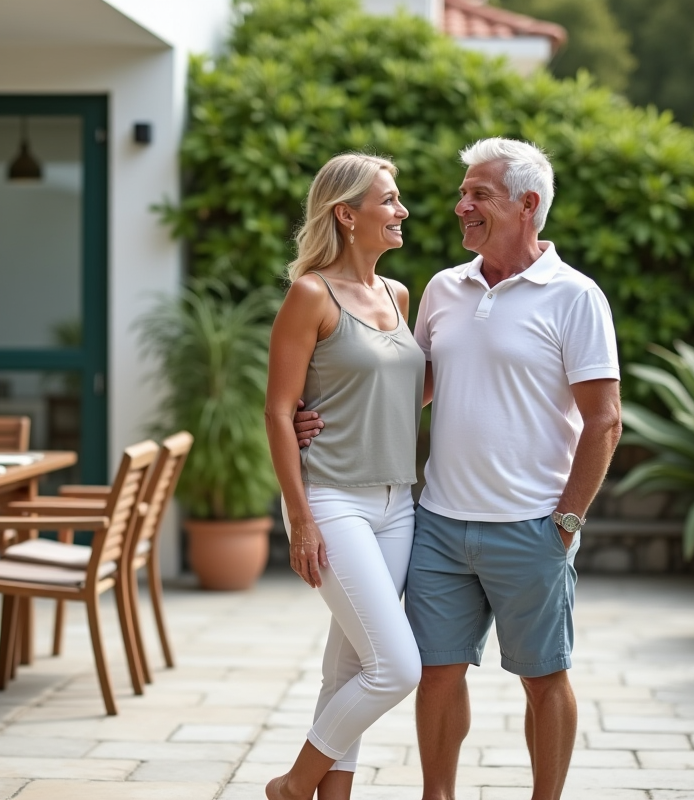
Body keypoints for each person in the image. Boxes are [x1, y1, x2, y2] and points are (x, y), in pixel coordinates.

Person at [294, 138, 622, 800]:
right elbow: (404, 384)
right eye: (462, 192)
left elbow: (605, 420)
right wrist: (318, 414)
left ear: (527, 204)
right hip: (439, 524)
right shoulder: (444, 288)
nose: (460, 206)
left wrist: (565, 522)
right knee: (435, 674)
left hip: (531, 526)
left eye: (479, 194)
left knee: (543, 678)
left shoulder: (576, 297)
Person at [264, 152, 427, 800]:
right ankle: (293, 785)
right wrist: (300, 518)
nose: (402, 210)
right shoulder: (311, 295)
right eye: (388, 199)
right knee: (396, 667)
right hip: (331, 500)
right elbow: (279, 411)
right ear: (346, 214)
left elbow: (399, 392)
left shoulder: (398, 294)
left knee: (353, 668)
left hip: (397, 503)